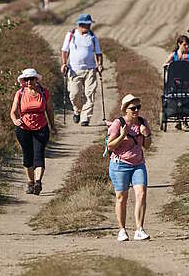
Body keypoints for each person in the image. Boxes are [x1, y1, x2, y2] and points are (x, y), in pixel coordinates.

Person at [107, 94, 152, 241]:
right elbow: (110, 146)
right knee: (122, 197)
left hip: (138, 164)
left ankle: (139, 229)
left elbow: (147, 146)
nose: (136, 110)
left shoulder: (142, 122)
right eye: (133, 108)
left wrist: (147, 134)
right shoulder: (118, 123)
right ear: (125, 109)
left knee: (142, 193)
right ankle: (122, 230)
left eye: (138, 107)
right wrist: (122, 136)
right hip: (120, 164)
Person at [10, 68, 56, 195]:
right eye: (26, 79)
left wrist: (53, 126)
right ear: (23, 81)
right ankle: (30, 182)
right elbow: (13, 112)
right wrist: (15, 121)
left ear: (36, 80)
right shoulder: (19, 93)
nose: (28, 81)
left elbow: (49, 110)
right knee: (27, 156)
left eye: (31, 79)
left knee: (39, 154)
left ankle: (38, 182)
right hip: (23, 129)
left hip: (41, 128)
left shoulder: (43, 92)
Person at [61, 14, 103, 127]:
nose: (89, 26)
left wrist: (99, 64)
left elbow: (98, 53)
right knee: (74, 94)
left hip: (90, 70)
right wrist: (64, 64)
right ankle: (77, 110)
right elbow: (65, 51)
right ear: (80, 24)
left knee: (90, 94)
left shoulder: (93, 36)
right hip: (74, 70)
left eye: (89, 24)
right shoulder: (71, 35)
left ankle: (85, 118)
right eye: (87, 24)